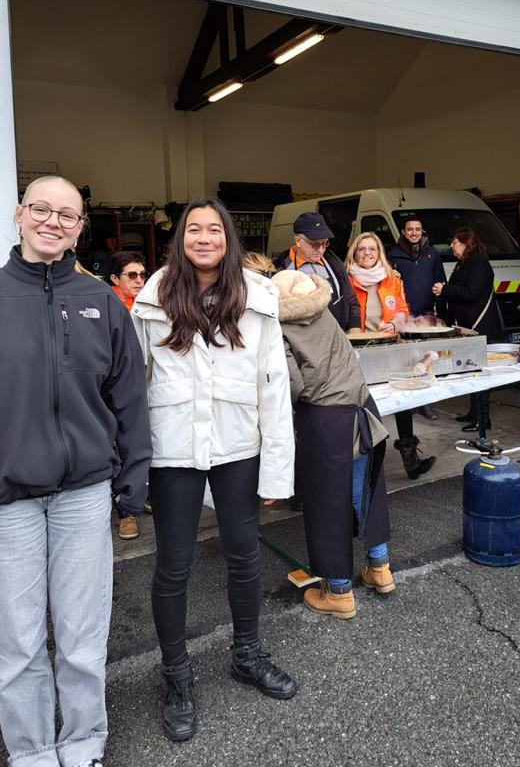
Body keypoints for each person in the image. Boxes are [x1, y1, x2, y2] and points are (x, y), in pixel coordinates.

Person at [131, 197, 297, 743]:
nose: (204, 238)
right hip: (172, 449)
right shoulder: (153, 298)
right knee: (173, 566)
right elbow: (133, 387)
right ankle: (176, 675)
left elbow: (273, 388)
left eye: (214, 230)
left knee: (244, 557)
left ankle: (247, 655)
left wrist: (276, 471)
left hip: (237, 447)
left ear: (229, 239)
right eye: (193, 230)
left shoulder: (258, 299)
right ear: (180, 239)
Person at [0, 176, 152, 767]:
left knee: (83, 635)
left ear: (79, 228)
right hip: (10, 498)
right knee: (17, 639)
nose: (53, 221)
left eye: (67, 214)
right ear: (19, 215)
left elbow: (129, 398)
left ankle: (84, 739)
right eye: (41, 209)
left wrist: (131, 481)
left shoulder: (103, 303)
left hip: (83, 494)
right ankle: (32, 748)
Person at [273, 269, 394, 619]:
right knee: (365, 489)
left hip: (326, 418)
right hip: (361, 405)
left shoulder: (277, 327)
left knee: (327, 503)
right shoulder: (324, 313)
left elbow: (291, 385)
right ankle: (380, 568)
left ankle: (339, 591)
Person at [346, 232, 436, 480]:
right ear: (354, 253)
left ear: (379, 253)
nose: (367, 253)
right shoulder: (346, 280)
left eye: (372, 249)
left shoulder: (391, 279)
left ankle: (411, 459)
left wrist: (396, 324)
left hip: (390, 346)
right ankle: (365, 463)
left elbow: (402, 309)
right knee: (364, 406)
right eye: (362, 249)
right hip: (359, 352)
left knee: (402, 401)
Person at [432, 227, 503, 432]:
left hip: (479, 328)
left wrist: (445, 289)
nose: (451, 247)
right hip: (467, 328)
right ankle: (474, 412)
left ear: (466, 243)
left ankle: (483, 418)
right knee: (472, 370)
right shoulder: (463, 264)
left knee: (480, 373)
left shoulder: (479, 264)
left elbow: (471, 293)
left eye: (454, 243)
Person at [107, 250, 149, 538]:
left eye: (143, 274)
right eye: (132, 275)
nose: (139, 280)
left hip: (143, 384)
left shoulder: (148, 305)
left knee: (139, 445)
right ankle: (125, 512)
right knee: (117, 447)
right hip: (112, 387)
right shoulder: (106, 306)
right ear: (114, 278)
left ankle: (135, 501)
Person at [389, 215, 447, 419]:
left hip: (427, 313)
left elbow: (441, 282)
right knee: (406, 358)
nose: (414, 233)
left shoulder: (432, 254)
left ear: (422, 231)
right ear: (404, 232)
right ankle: (408, 402)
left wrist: (442, 312)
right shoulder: (394, 254)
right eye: (410, 229)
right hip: (403, 314)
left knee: (427, 358)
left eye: (418, 229)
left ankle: (426, 403)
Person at [274, 212, 361, 332]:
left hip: (339, 336)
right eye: (314, 244)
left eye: (324, 243)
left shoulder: (333, 263)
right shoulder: (281, 269)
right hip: (304, 343)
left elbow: (349, 297)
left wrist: (354, 327)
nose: (320, 249)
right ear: (298, 241)